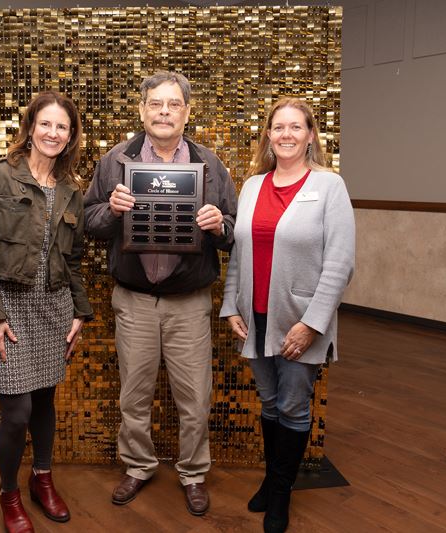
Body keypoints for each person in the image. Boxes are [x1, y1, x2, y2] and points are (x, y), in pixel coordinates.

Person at [83, 71, 237, 516]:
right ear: (142, 110)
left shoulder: (210, 164)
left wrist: (218, 226)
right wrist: (111, 211)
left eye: (173, 104)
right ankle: (138, 465)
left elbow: (233, 231)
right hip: (133, 301)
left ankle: (192, 472)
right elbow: (91, 223)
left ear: (187, 112)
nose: (164, 111)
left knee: (194, 398)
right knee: (133, 393)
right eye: (156, 103)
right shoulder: (116, 160)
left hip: (189, 302)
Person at [219, 97, 355, 533]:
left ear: (311, 135)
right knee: (270, 403)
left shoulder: (330, 187)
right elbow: (239, 253)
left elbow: (340, 263)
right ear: (269, 135)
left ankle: (280, 494)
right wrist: (230, 305)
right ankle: (272, 478)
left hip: (300, 320)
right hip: (254, 318)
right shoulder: (254, 185)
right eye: (279, 127)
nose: (287, 135)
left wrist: (313, 323)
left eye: (296, 127)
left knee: (294, 408)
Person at [0, 91, 93, 533]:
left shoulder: (72, 190)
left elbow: (73, 260)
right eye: (46, 124)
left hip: (54, 307)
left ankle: (42, 477)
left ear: (71, 134)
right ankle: (9, 492)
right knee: (16, 410)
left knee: (44, 400)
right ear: (31, 127)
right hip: (8, 309)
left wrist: (80, 311)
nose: (53, 133)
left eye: (63, 127)